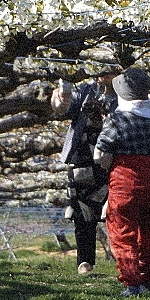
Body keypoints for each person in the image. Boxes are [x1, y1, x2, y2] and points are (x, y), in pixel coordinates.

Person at [94, 67, 150, 298]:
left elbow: (100, 154)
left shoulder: (117, 119)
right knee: (146, 230)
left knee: (122, 230)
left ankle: (132, 283)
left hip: (125, 179)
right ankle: (149, 279)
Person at [51, 69, 119, 275]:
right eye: (101, 71)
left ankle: (124, 259)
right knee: (82, 212)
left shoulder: (124, 95)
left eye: (110, 71)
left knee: (117, 210)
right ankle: (85, 261)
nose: (104, 76)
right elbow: (62, 108)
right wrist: (64, 90)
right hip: (81, 157)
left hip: (112, 159)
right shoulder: (85, 91)